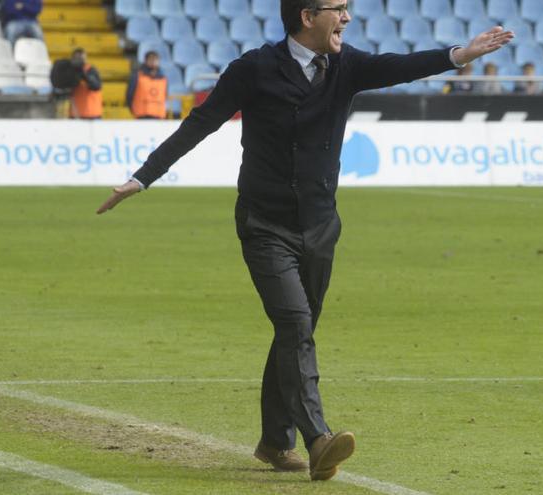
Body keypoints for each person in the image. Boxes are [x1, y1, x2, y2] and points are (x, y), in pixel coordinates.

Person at [96, 0, 513, 482]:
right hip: (264, 224)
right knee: (295, 324)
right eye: (338, 9)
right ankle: (318, 438)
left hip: (319, 226)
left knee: (296, 332)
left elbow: (399, 67)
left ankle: (275, 441)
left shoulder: (346, 65)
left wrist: (459, 54)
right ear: (307, 16)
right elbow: (202, 122)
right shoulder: (253, 68)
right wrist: (143, 177)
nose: (348, 18)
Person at [50, 48, 103, 119]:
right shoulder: (70, 71)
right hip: (76, 115)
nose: (79, 61)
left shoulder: (90, 70)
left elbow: (96, 86)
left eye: (81, 58)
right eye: (76, 58)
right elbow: (61, 86)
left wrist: (84, 75)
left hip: (92, 115)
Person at [126, 51, 168, 119]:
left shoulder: (163, 78)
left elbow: (165, 95)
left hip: (159, 116)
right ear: (146, 61)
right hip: (142, 115)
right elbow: (129, 95)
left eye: (156, 60)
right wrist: (133, 109)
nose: (153, 62)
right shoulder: (137, 76)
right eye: (151, 59)